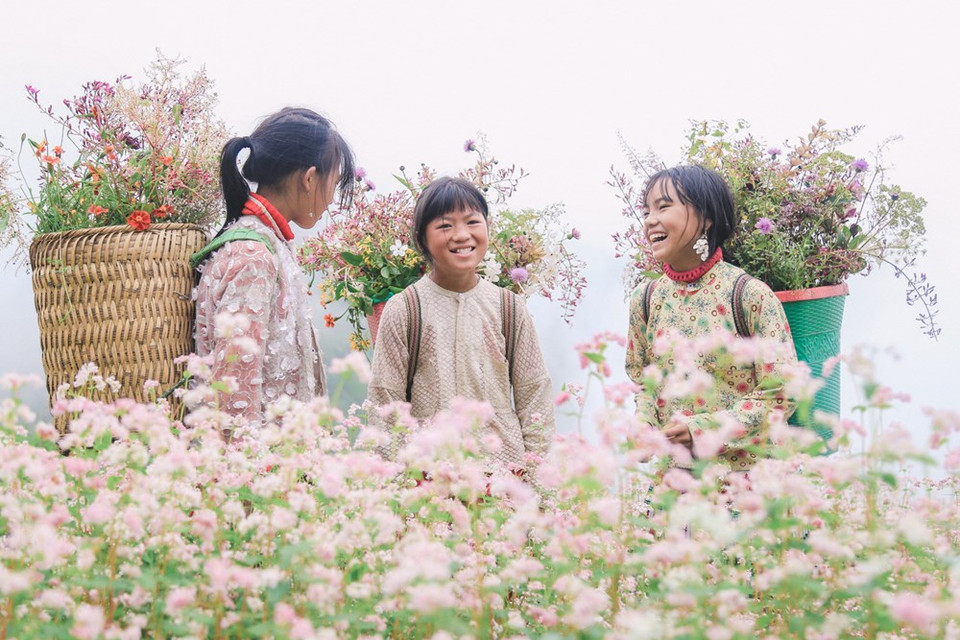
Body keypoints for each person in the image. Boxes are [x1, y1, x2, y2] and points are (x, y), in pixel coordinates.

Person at [367, 177, 554, 473]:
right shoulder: (404, 309)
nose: (461, 235)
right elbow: (384, 402)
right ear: (421, 238)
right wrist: (390, 486)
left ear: (487, 228)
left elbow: (535, 396)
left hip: (503, 477)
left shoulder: (509, 308)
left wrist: (535, 478)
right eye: (445, 226)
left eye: (472, 222)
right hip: (427, 482)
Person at [625, 165, 797, 470]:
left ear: (706, 218)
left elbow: (783, 393)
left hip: (745, 488)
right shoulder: (646, 298)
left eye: (664, 207)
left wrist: (702, 430)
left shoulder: (749, 295)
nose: (651, 220)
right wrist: (644, 425)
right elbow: (644, 384)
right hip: (674, 484)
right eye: (646, 210)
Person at [193, 107, 355, 427]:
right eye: (333, 184)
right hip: (252, 472)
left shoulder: (268, 245)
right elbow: (233, 397)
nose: (332, 199)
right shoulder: (253, 259)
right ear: (309, 179)